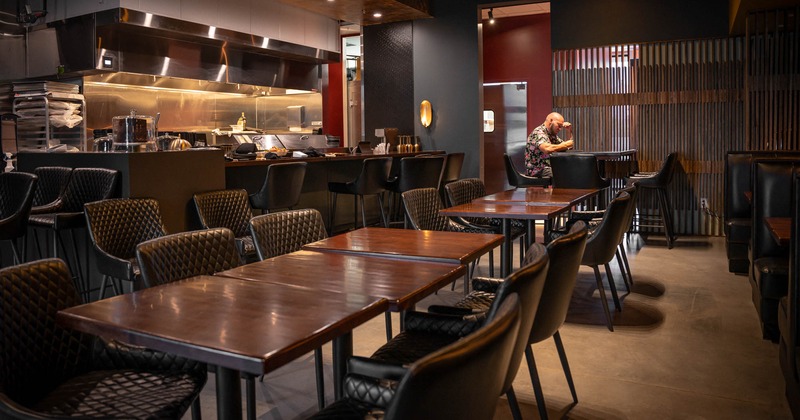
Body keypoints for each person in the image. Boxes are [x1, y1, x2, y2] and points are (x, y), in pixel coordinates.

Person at [524, 112, 574, 177]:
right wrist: (566, 144)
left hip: (547, 168)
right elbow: (547, 149)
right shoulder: (539, 132)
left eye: (561, 126)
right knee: (566, 173)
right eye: (559, 125)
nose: (560, 129)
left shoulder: (551, 135)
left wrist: (569, 131)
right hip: (537, 170)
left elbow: (566, 146)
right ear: (551, 121)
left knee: (572, 170)